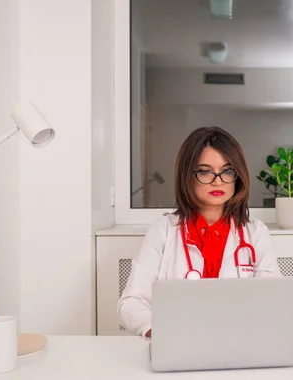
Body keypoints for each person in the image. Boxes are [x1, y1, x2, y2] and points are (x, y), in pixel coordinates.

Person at [117, 126, 282, 338]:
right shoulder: (164, 230)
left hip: (238, 341)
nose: (218, 180)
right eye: (205, 171)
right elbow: (131, 302)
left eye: (227, 171)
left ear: (237, 176)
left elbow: (273, 298)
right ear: (188, 175)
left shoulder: (254, 233)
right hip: (178, 341)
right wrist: (160, 332)